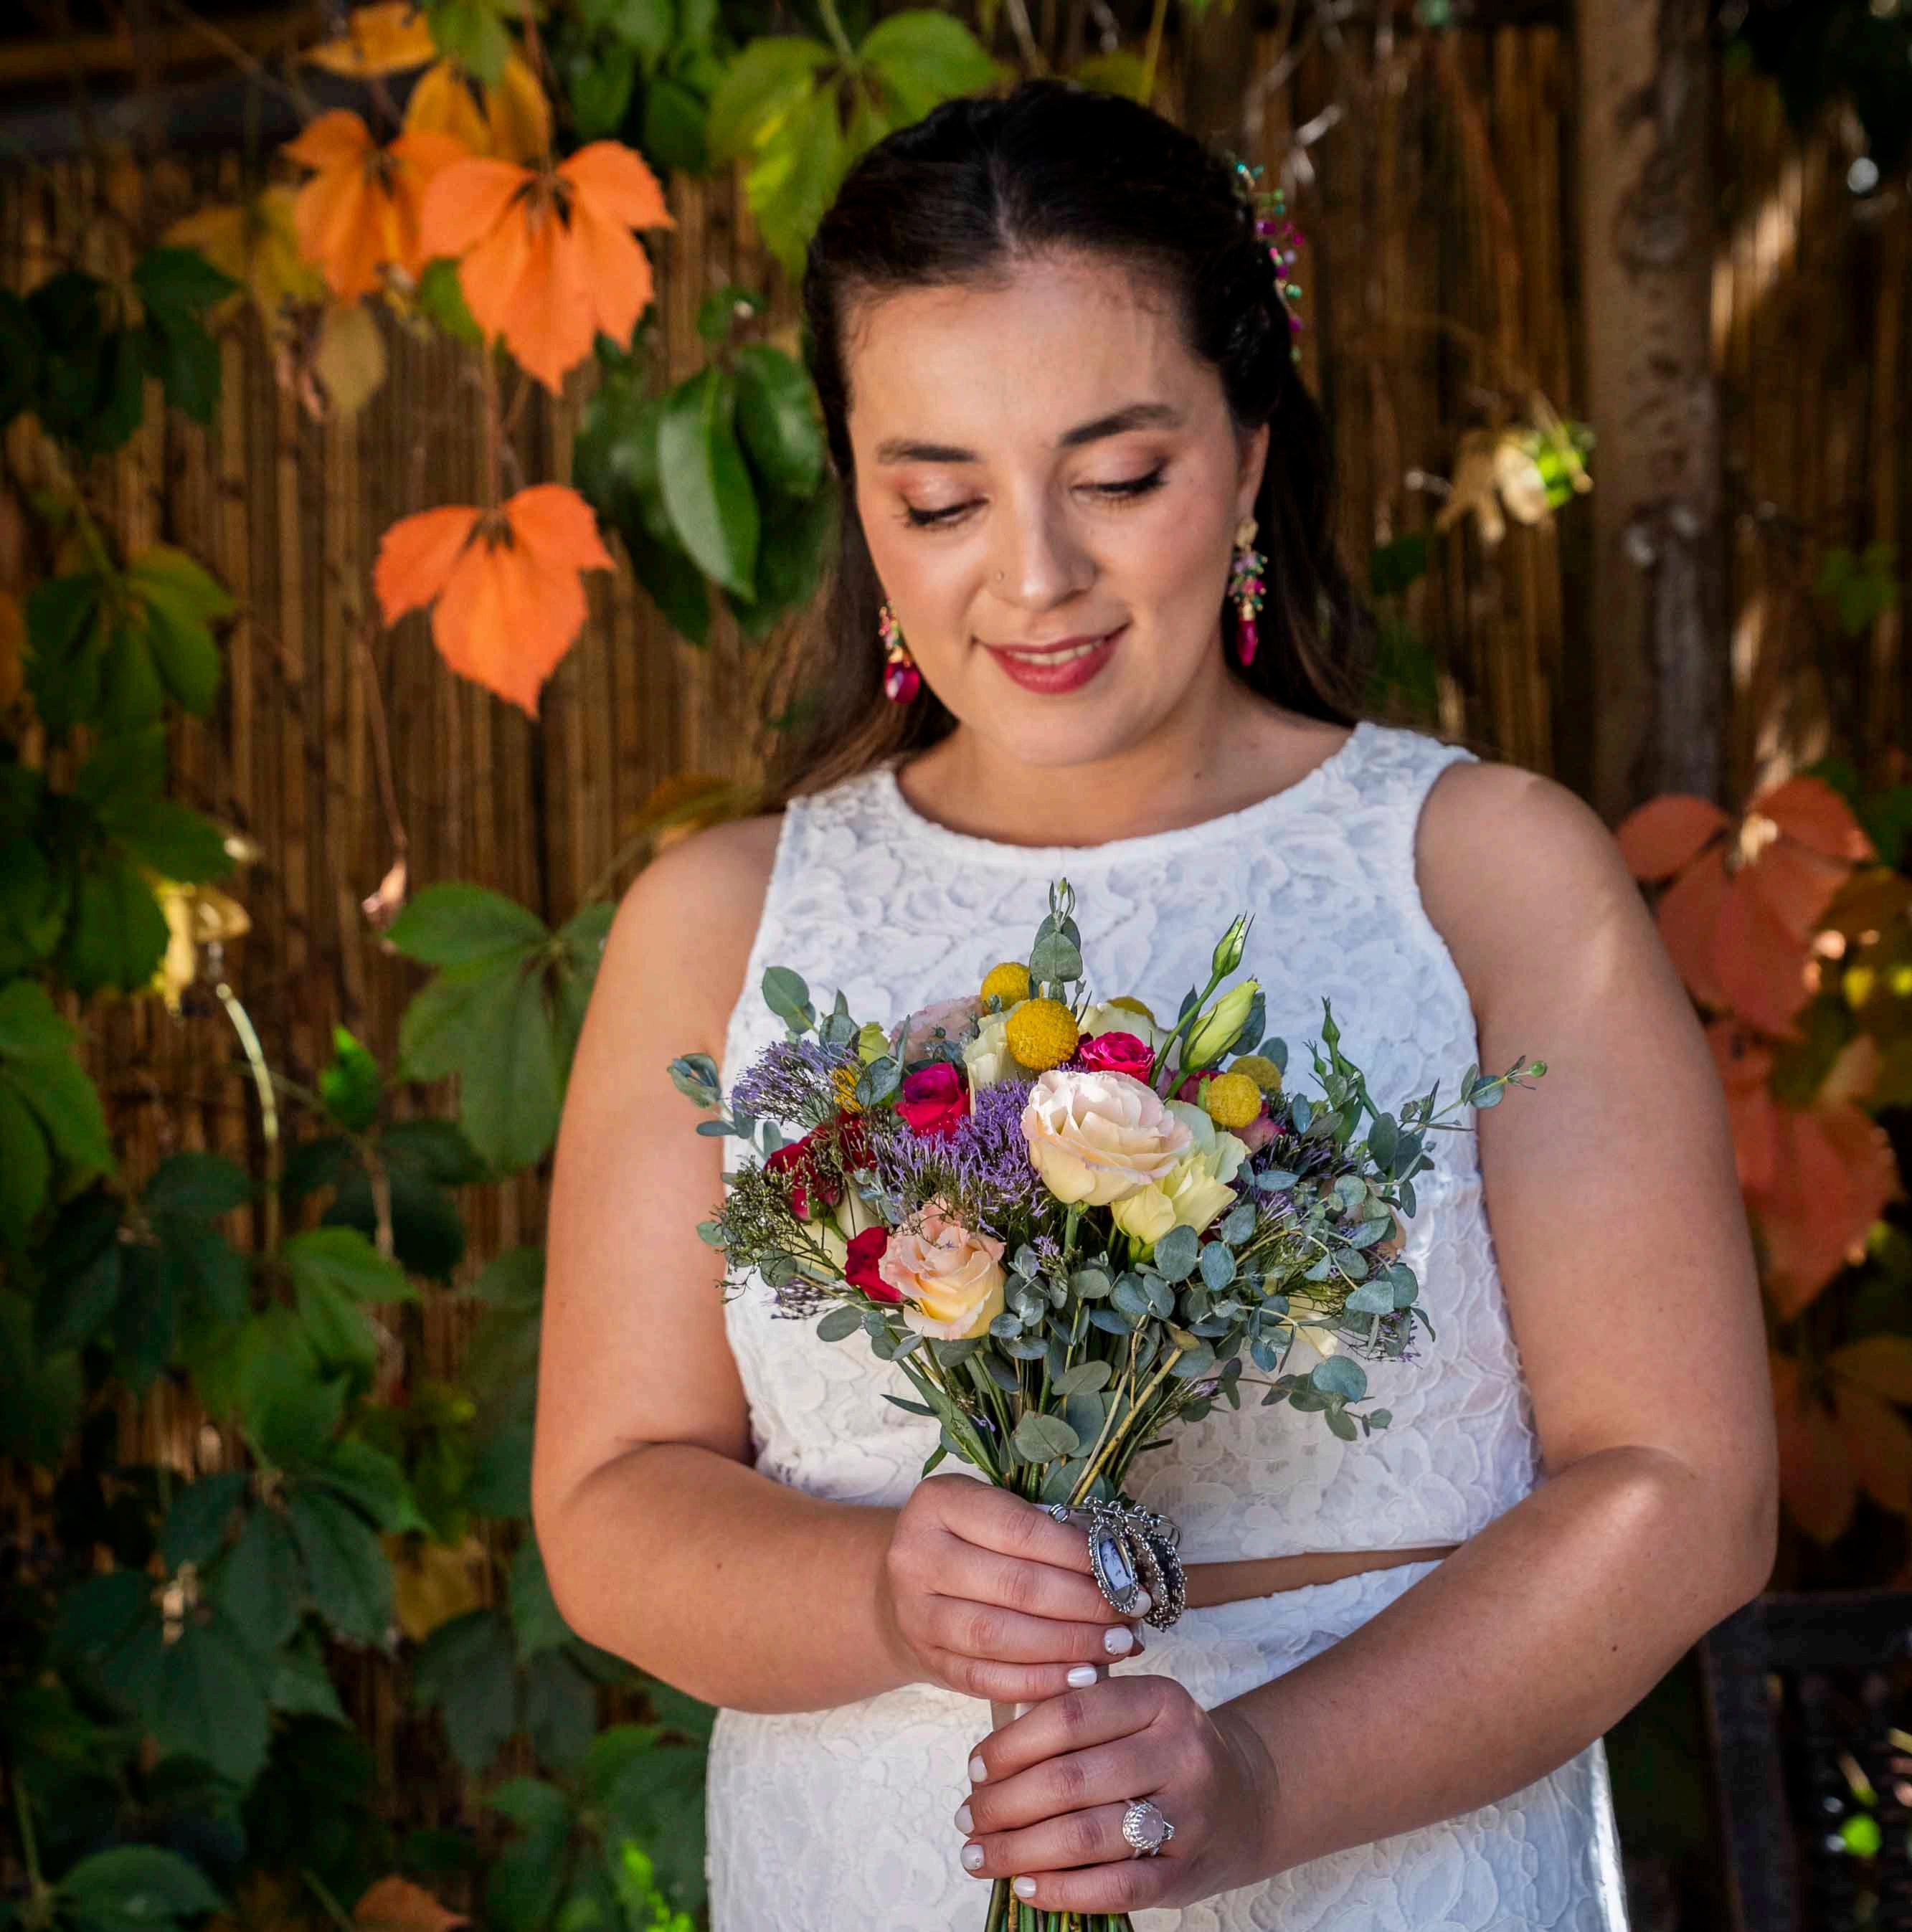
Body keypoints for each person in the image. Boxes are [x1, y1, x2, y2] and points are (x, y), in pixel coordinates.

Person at [533, 77, 1776, 1931]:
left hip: (1396, 1865)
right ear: (857, 488)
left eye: (1118, 478)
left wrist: (1262, 1781)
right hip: (880, 1859)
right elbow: (613, 1501)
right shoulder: (718, 922)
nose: (1033, 576)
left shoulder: (1488, 874)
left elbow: (1681, 1488)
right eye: (938, 498)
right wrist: (879, 1598)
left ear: (1252, 450)